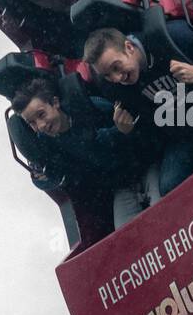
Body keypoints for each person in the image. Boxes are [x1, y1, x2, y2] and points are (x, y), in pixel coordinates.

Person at [83, 25, 193, 197]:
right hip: (188, 134)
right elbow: (153, 134)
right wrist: (129, 131)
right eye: (107, 75)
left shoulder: (172, 38)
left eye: (117, 67)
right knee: (170, 186)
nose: (116, 78)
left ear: (129, 47)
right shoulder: (116, 89)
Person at [11, 76, 157, 228]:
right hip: (120, 185)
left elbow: (138, 133)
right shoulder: (46, 145)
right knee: (127, 234)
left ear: (55, 103)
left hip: (145, 167)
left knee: (165, 206)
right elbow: (52, 177)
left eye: (41, 115)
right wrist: (43, 176)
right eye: (32, 123)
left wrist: (120, 133)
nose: (41, 125)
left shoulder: (90, 107)